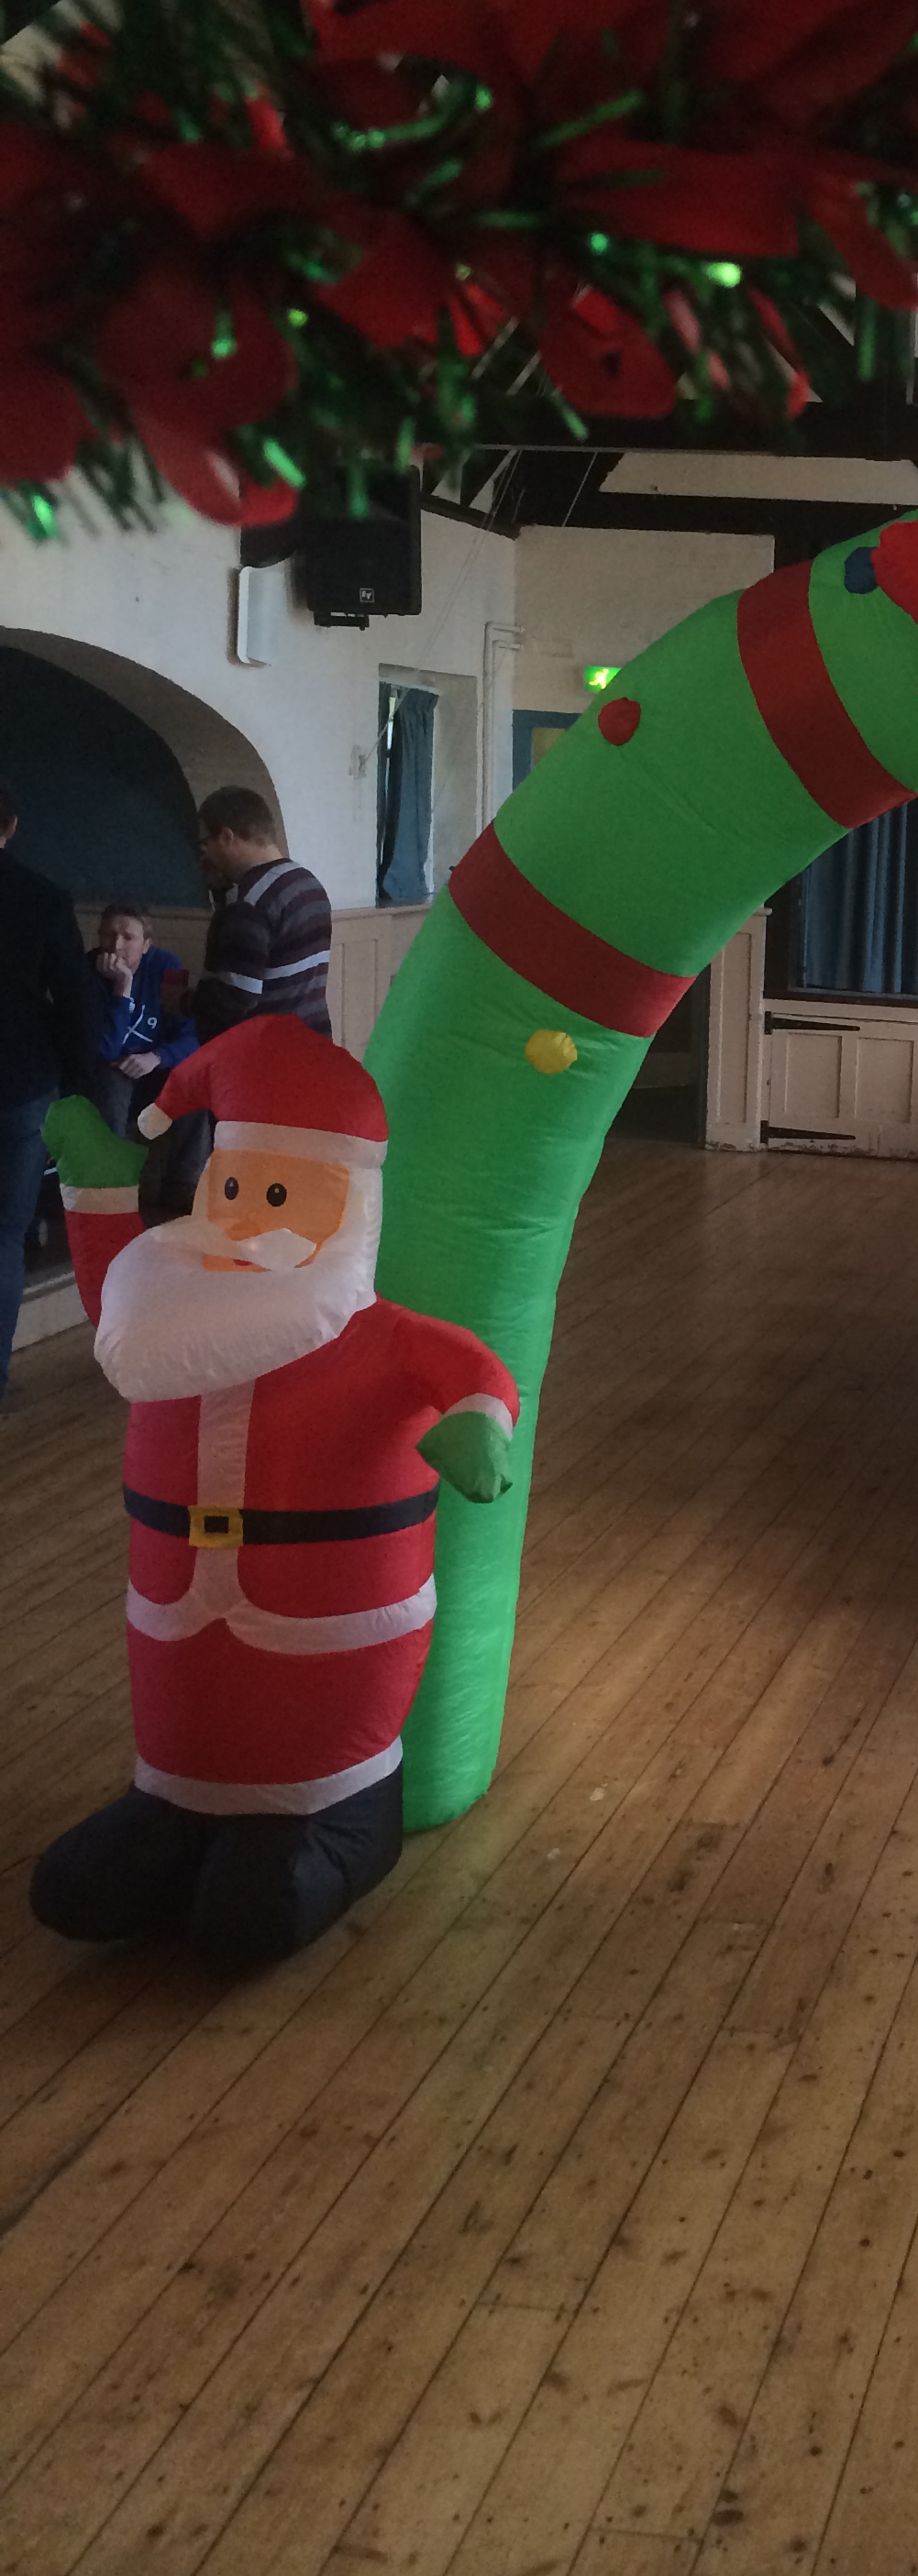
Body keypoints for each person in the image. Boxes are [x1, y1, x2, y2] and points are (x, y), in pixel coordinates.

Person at [35, 1018, 517, 1974]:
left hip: (331, 1625)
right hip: (175, 1613)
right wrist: (98, 1193)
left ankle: (332, 1818)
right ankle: (177, 1802)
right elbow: (120, 1315)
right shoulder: (176, 1309)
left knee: (247, 1913)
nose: (248, 1220)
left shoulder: (375, 1332)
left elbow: (469, 1369)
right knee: (79, 1887)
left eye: (281, 1196)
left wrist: (478, 1420)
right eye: (233, 1189)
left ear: (351, 1208)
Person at [0, 776, 105, 1408]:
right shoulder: (43, 898)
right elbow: (77, 1002)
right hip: (22, 1082)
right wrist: (76, 1081)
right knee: (6, 1234)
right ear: (10, 826)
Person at [194, 787, 333, 1042]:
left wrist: (181, 1000)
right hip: (313, 1041)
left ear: (226, 837)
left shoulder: (251, 901)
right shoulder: (308, 882)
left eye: (206, 844)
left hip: (269, 1052)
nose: (206, 855)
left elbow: (235, 998)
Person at [88, 903, 196, 1136]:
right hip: (110, 1071)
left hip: (154, 1065)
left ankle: (190, 1164)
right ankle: (110, 1159)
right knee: (112, 1084)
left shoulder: (168, 967)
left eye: (128, 938)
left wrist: (157, 1057)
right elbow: (104, 1050)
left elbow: (192, 1036)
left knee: (195, 1087)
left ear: (146, 945)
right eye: (109, 935)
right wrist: (122, 986)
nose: (116, 945)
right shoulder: (88, 969)